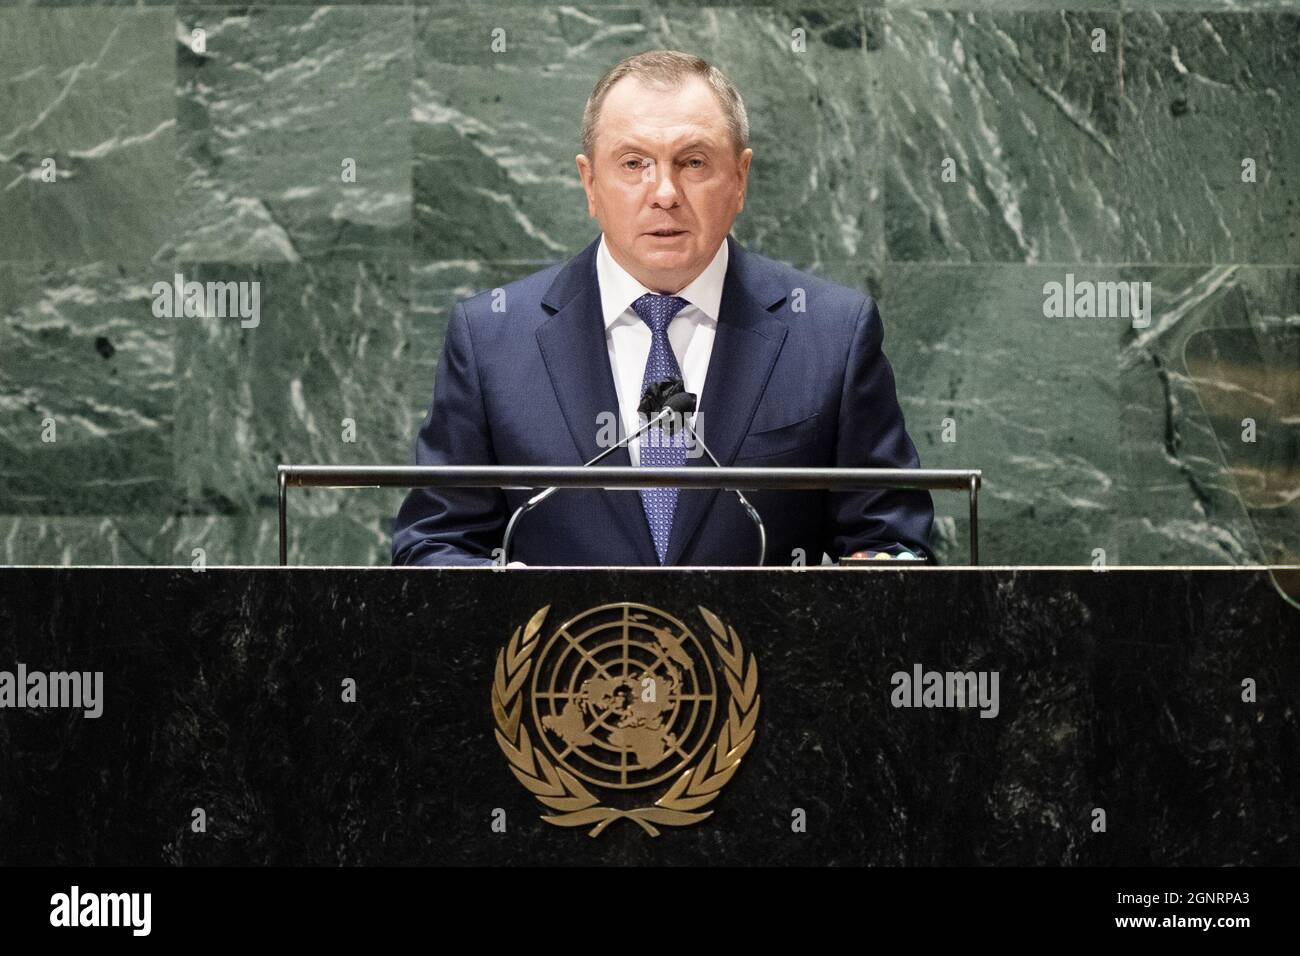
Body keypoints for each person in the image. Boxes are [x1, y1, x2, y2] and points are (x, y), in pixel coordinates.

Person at [392, 50, 933, 567]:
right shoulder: (490, 341)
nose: (665, 192)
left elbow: (890, 542)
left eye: (694, 162)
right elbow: (437, 544)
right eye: (634, 163)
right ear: (590, 183)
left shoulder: (833, 335)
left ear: (740, 178)